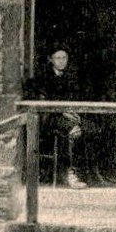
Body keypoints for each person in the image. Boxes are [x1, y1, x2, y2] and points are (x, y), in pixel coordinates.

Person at [24, 48, 86, 187]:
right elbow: (46, 102)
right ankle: (68, 173)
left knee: (87, 128)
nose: (62, 61)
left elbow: (72, 99)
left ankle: (86, 171)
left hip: (65, 117)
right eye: (58, 58)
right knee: (72, 130)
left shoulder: (69, 76)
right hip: (48, 118)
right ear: (51, 60)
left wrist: (74, 113)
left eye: (64, 58)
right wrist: (64, 113)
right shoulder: (44, 77)